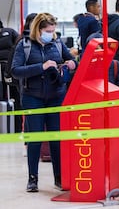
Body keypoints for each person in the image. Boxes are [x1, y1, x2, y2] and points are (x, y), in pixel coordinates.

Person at [11, 13, 77, 192]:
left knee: (56, 138)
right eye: (48, 31)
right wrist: (42, 67)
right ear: (37, 29)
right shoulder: (24, 46)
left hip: (56, 95)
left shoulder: (56, 43)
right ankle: (33, 178)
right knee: (36, 139)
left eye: (53, 31)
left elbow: (71, 59)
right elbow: (15, 71)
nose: (51, 34)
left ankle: (59, 177)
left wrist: (71, 63)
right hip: (33, 97)